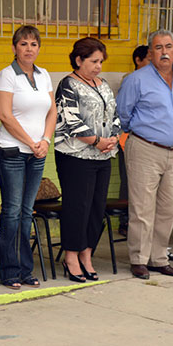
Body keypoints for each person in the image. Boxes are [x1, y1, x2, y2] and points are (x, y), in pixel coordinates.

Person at [117, 29, 173, 280]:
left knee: (168, 209)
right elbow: (123, 115)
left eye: (168, 47)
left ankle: (159, 258)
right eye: (158, 47)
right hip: (145, 148)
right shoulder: (136, 80)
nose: (164, 52)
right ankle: (139, 259)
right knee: (142, 208)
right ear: (150, 52)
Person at [0, 25, 56, 289]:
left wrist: (45, 141)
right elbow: (5, 115)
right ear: (14, 47)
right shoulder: (7, 76)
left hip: (37, 152)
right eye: (23, 44)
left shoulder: (44, 75)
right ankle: (9, 270)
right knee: (12, 211)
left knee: (27, 212)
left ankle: (25, 270)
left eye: (33, 44)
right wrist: (31, 142)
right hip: (12, 151)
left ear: (38, 48)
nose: (29, 49)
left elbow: (52, 111)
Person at [54, 37, 120, 283]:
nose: (98, 66)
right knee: (77, 207)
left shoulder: (103, 85)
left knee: (96, 208)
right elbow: (70, 120)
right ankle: (71, 256)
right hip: (75, 157)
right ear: (79, 60)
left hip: (103, 156)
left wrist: (112, 137)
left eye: (101, 61)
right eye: (93, 61)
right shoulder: (68, 84)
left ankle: (87, 253)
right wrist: (96, 141)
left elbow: (114, 114)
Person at [117, 45, 151, 236]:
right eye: (148, 58)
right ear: (138, 60)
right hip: (129, 138)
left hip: (147, 141)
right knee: (128, 181)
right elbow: (124, 112)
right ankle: (125, 220)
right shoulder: (130, 80)